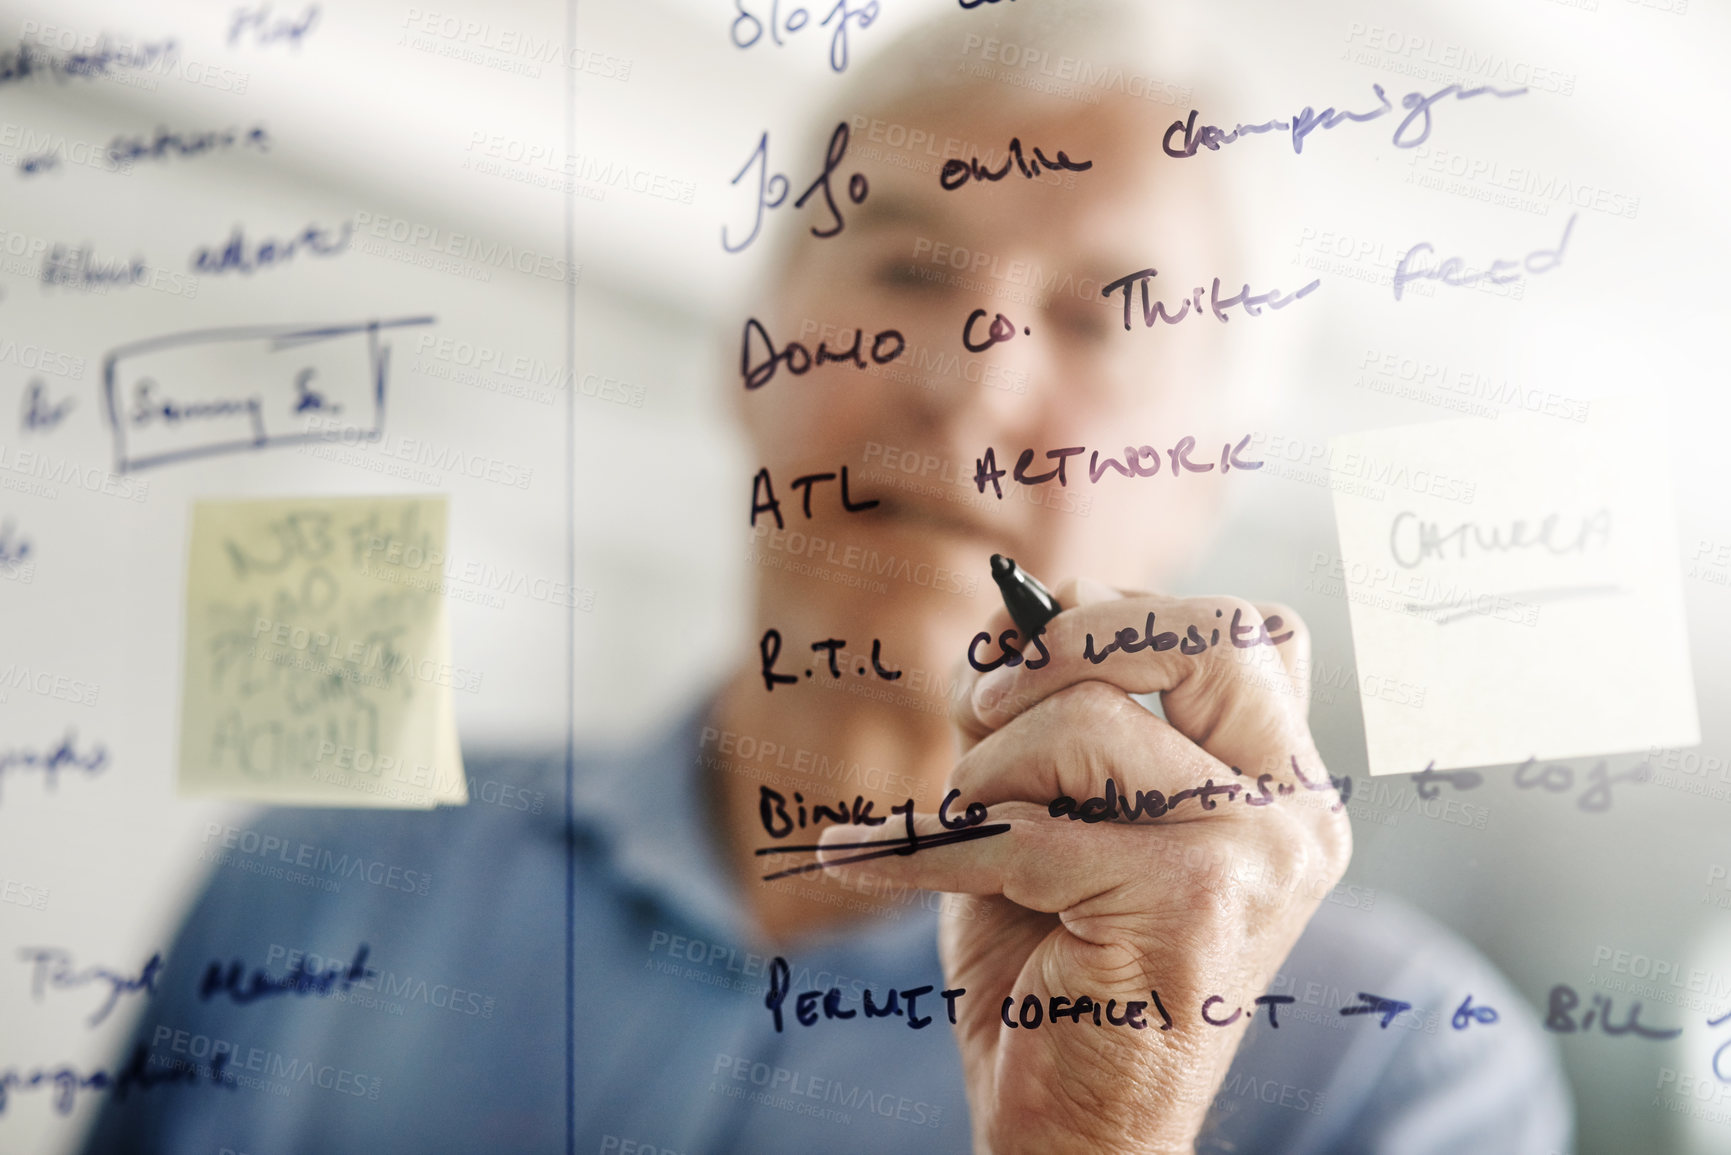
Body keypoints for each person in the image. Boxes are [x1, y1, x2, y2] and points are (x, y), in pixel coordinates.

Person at [83, 5, 1572, 1152]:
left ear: (1207, 475)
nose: (965, 393)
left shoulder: (1398, 1068)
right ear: (754, 348)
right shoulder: (326, 881)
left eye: (1100, 322)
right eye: (910, 273)